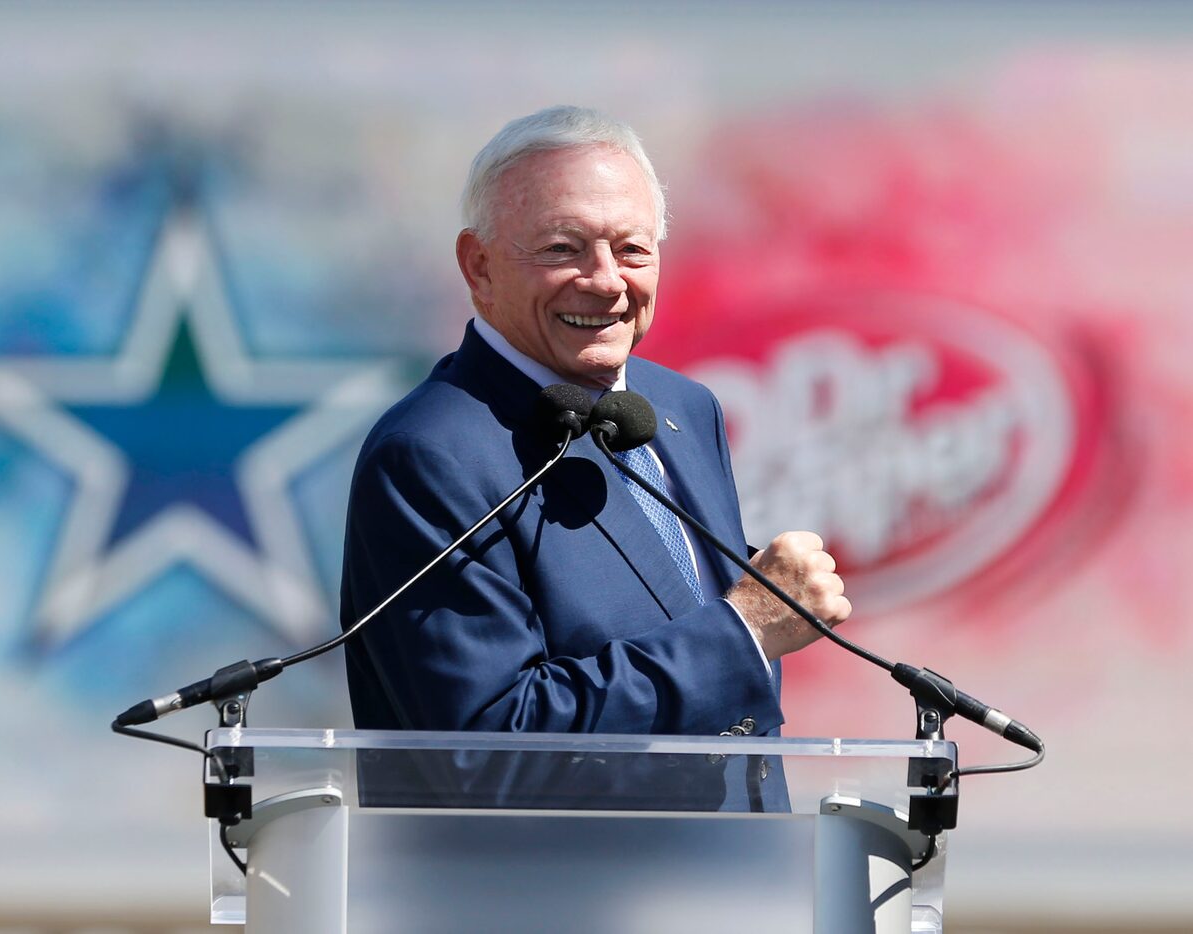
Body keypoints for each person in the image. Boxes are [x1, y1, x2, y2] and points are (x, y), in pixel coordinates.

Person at [339, 106, 849, 762]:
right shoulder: (430, 456)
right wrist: (743, 629)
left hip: (733, 859)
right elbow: (488, 740)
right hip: (557, 865)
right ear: (480, 267)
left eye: (632, 248)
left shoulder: (682, 408)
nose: (607, 280)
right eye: (563, 248)